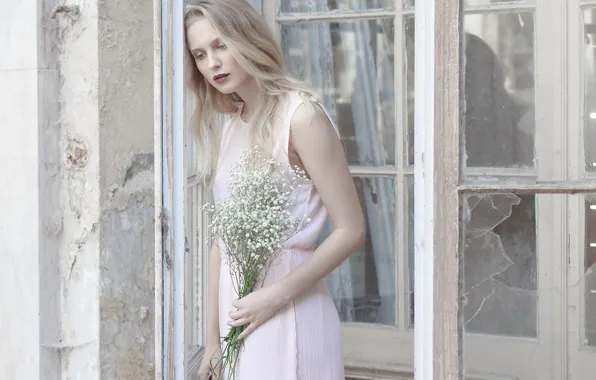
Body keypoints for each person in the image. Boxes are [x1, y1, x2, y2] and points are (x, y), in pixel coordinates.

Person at [184, 0, 366, 379]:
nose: (211, 63)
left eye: (220, 46)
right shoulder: (230, 126)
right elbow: (223, 238)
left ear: (247, 38)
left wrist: (274, 297)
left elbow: (351, 230)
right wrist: (213, 341)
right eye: (200, 54)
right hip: (238, 315)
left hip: (290, 308)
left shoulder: (301, 117)